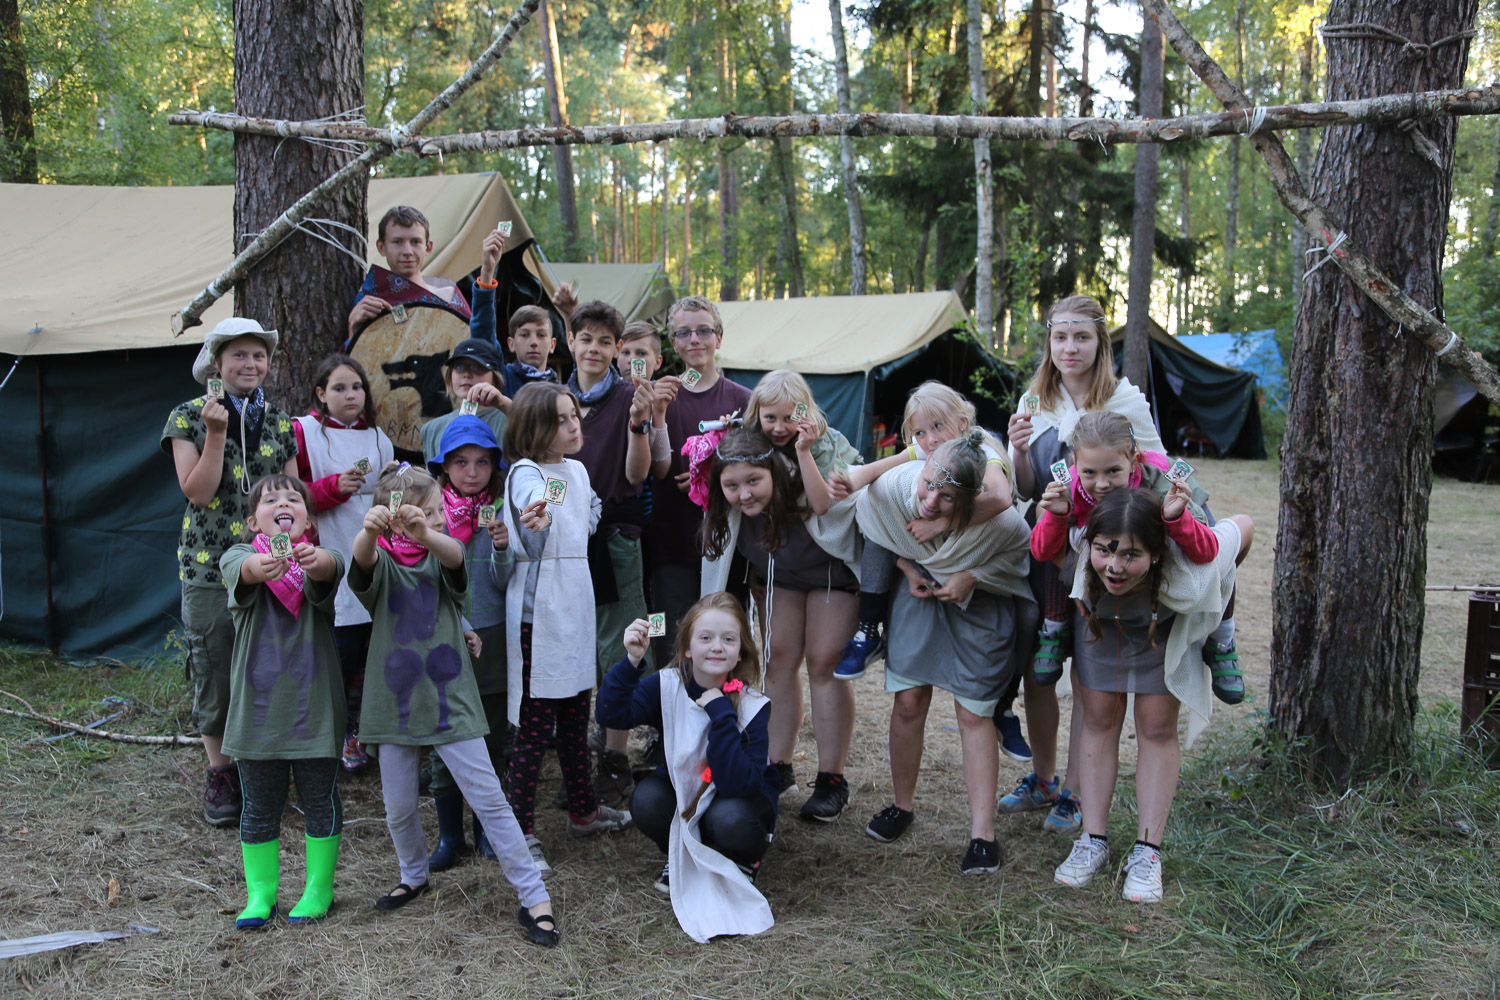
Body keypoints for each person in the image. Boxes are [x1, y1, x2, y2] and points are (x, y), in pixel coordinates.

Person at [348, 461, 557, 946]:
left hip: (449, 700)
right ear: (394, 517)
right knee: (399, 808)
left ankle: (535, 897)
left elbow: (455, 555)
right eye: (428, 512)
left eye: (440, 510)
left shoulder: (442, 555)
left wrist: (426, 533)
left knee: (490, 799)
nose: (439, 518)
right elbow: (361, 562)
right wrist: (368, 531)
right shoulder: (381, 563)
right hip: (394, 702)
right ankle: (413, 874)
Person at [1003, 295, 1166, 837]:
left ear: (1100, 343)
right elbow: (1026, 488)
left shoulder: (1125, 401)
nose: (1069, 348)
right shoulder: (1036, 401)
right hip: (1051, 550)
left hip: (1104, 559)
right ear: (1049, 342)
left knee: (1088, 674)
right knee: (1041, 668)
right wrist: (1018, 451)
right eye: (1060, 337)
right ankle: (1044, 776)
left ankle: (1075, 791)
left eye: (1082, 337)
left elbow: (1155, 472)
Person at [1050, 489, 1251, 903]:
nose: (1115, 566)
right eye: (1106, 551)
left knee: (1157, 728)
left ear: (1158, 554)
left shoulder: (1189, 570)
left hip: (1162, 631)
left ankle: (1148, 852)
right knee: (1098, 721)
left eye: (1132, 554)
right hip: (1101, 629)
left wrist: (1223, 592)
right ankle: (1093, 840)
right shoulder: (1082, 547)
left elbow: (1243, 528)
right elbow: (1044, 544)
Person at [855, 431, 1034, 875]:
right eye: (929, 486)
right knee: (908, 701)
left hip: (982, 605)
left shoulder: (1002, 522)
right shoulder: (901, 486)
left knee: (974, 713)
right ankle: (901, 805)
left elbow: (1019, 558)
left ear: (973, 498)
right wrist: (906, 565)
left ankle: (982, 834)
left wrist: (973, 574)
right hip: (918, 597)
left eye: (948, 497)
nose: (931, 502)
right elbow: (875, 526)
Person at [163, 317, 300, 826]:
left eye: (258, 355)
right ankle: (220, 771)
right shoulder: (188, 416)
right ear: (216, 363)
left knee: (270, 662)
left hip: (270, 563)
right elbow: (197, 491)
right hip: (208, 566)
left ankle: (261, 768)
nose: (250, 364)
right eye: (238, 355)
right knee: (214, 664)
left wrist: (296, 547)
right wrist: (217, 434)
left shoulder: (280, 422)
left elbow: (294, 495)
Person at [697, 415, 859, 821]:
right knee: (778, 661)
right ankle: (777, 764)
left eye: (754, 480)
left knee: (824, 663)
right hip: (782, 581)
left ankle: (831, 779)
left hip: (833, 577)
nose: (744, 494)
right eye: (732, 485)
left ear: (772, 471)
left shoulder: (805, 486)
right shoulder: (730, 511)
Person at [501, 383, 632, 879]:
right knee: (534, 730)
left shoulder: (575, 470)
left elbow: (590, 509)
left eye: (574, 415)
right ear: (534, 426)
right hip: (541, 612)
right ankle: (520, 832)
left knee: (577, 720)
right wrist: (534, 521)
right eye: (560, 419)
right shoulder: (525, 472)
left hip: (575, 603)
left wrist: (578, 528)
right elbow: (534, 509)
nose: (574, 425)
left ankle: (584, 812)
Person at [595, 594, 778, 943]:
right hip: (685, 796)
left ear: (741, 652)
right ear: (688, 648)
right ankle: (682, 853)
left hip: (737, 802)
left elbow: (737, 784)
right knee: (646, 800)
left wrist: (721, 714)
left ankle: (741, 858)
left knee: (729, 819)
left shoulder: (752, 706)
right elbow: (610, 714)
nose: (717, 646)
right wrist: (632, 661)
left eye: (728, 639)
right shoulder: (667, 685)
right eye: (705, 637)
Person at [219, 475, 346, 929]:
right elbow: (247, 570)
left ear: (307, 520)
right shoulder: (238, 555)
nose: (283, 503)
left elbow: (331, 567)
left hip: (316, 706)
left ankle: (319, 889)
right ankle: (261, 895)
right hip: (257, 710)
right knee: (259, 805)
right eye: (270, 499)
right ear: (254, 521)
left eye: (294, 498)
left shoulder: (320, 558)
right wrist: (266, 563)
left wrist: (311, 559)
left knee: (320, 799)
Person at [562, 300, 659, 808]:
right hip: (564, 541)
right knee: (573, 645)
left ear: (618, 349)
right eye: (586, 339)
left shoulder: (628, 397)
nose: (594, 349)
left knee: (620, 644)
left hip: (616, 535)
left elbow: (637, 474)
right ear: (570, 342)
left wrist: (640, 423)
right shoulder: (558, 398)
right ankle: (577, 758)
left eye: (605, 341)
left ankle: (616, 757)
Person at [292, 354, 396, 773]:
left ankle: (361, 731)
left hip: (374, 553)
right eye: (339, 388)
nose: (351, 395)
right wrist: (332, 487)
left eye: (356, 387)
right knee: (339, 654)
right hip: (328, 551)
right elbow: (290, 496)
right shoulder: (304, 432)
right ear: (321, 393)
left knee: (372, 653)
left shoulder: (379, 439)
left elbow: (392, 494)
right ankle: (324, 736)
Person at [424, 416, 515, 869]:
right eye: (461, 462)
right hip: (445, 637)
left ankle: (487, 830)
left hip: (494, 635)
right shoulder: (430, 515)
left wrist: (501, 546)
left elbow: (503, 582)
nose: (472, 472)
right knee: (446, 736)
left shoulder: (501, 507)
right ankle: (449, 836)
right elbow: (424, 580)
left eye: (482, 462)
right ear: (444, 467)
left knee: (493, 737)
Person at [642, 296, 753, 665]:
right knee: (667, 635)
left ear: (718, 337)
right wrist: (656, 412)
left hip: (727, 548)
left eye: (703, 331)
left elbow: (759, 472)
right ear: (673, 343)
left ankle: (724, 698)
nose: (694, 339)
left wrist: (712, 476)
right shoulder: (659, 395)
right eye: (684, 333)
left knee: (724, 638)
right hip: (669, 544)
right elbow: (652, 468)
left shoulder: (744, 402)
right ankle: (667, 700)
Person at [346, 205, 471, 346]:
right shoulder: (370, 302)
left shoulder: (448, 297)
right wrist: (353, 329)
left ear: (428, 247)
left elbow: (477, 346)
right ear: (382, 247)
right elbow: (352, 358)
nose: (407, 251)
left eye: (415, 242)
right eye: (397, 242)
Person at [418, 338, 509, 465]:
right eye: (459, 367)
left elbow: (535, 426)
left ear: (494, 377)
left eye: (477, 367)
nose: (467, 374)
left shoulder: (511, 421)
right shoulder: (432, 429)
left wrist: (502, 402)